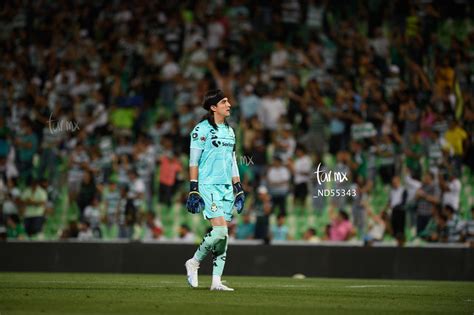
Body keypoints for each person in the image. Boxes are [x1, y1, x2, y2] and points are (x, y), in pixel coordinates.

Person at [184, 90, 245, 291]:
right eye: (224, 102)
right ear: (213, 107)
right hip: (208, 185)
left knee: (224, 235)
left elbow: (232, 161)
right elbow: (193, 161)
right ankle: (194, 262)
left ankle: (216, 282)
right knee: (219, 231)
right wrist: (193, 188)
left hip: (227, 187)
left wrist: (238, 187)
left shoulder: (230, 131)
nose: (229, 105)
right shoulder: (200, 130)